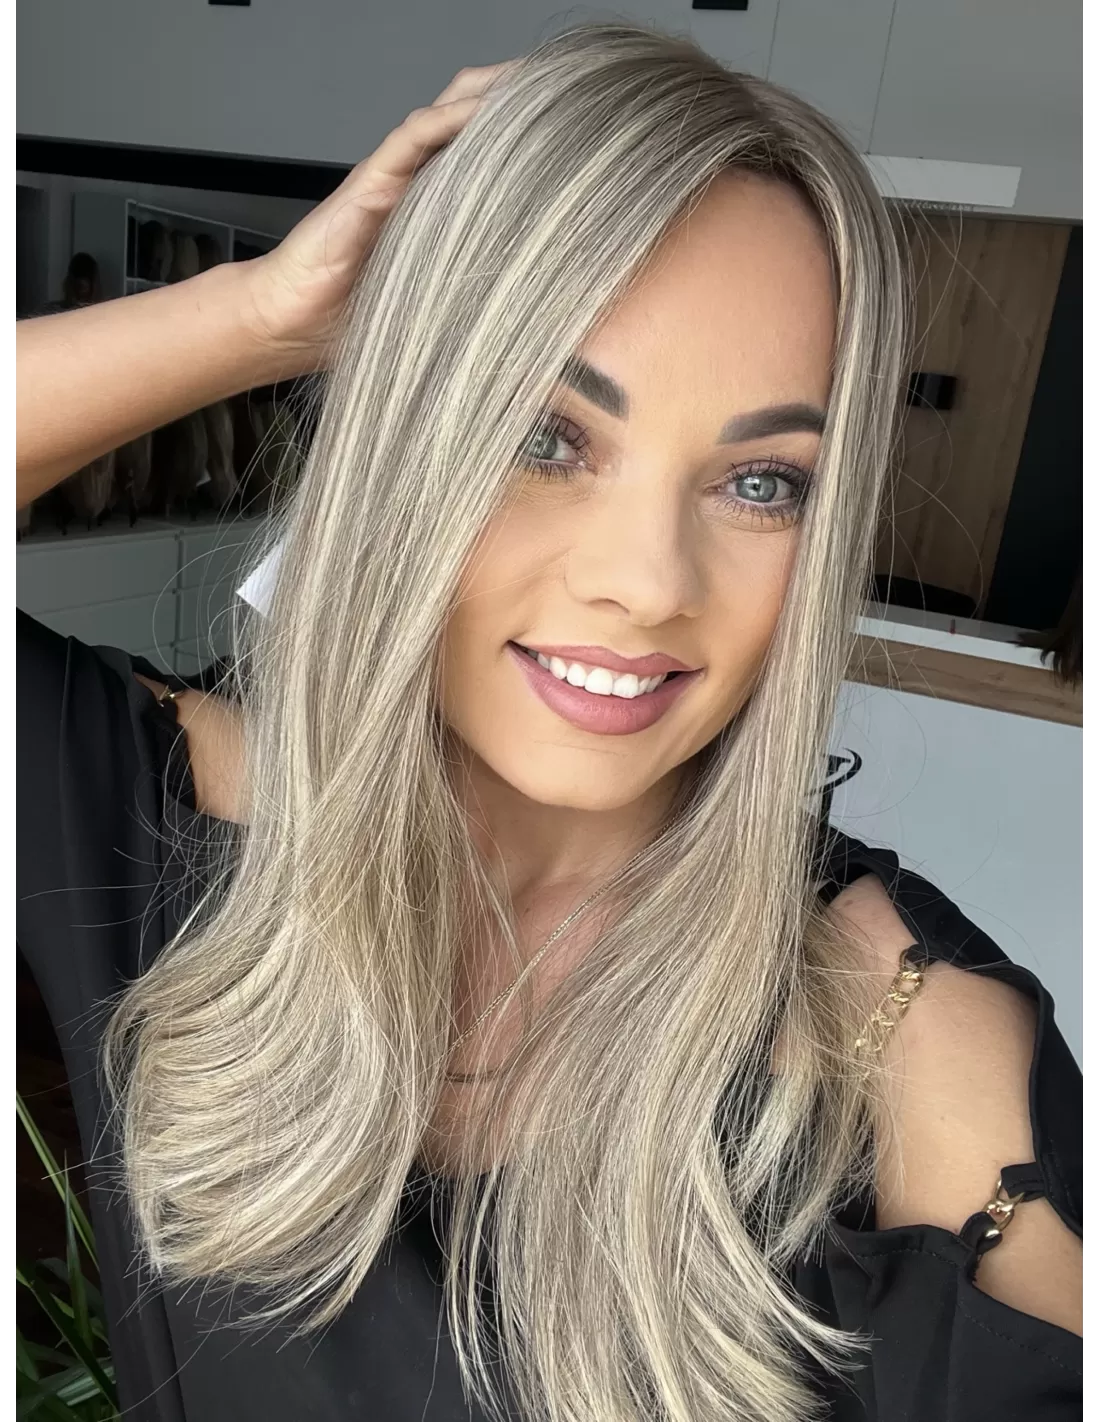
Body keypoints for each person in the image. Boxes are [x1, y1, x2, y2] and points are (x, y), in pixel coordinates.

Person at [16, 25, 1082, 1422]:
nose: (647, 582)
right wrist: (268, 313)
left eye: (763, 482)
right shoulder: (154, 816)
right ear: (411, 440)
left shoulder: (914, 1044)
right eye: (544, 436)